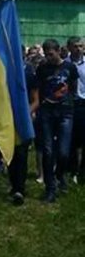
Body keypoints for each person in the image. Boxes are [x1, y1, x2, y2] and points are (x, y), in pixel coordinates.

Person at [36, 38, 78, 202]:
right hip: (47, 111)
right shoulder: (43, 68)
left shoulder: (69, 67)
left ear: (59, 51)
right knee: (47, 151)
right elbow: (39, 88)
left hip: (65, 111)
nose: (49, 58)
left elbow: (73, 86)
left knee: (63, 152)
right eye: (46, 55)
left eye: (51, 54)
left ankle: (60, 173)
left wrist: (68, 101)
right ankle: (50, 187)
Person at [7, 47, 39, 205]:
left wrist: (26, 113)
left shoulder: (29, 73)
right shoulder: (4, 71)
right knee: (9, 154)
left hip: (23, 119)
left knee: (22, 154)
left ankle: (20, 188)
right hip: (7, 119)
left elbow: (35, 99)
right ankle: (13, 185)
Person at [67, 35, 85, 184]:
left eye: (81, 46)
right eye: (76, 46)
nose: (79, 49)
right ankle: (72, 170)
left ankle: (82, 172)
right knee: (73, 140)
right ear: (69, 48)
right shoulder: (65, 64)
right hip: (71, 104)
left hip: (84, 103)